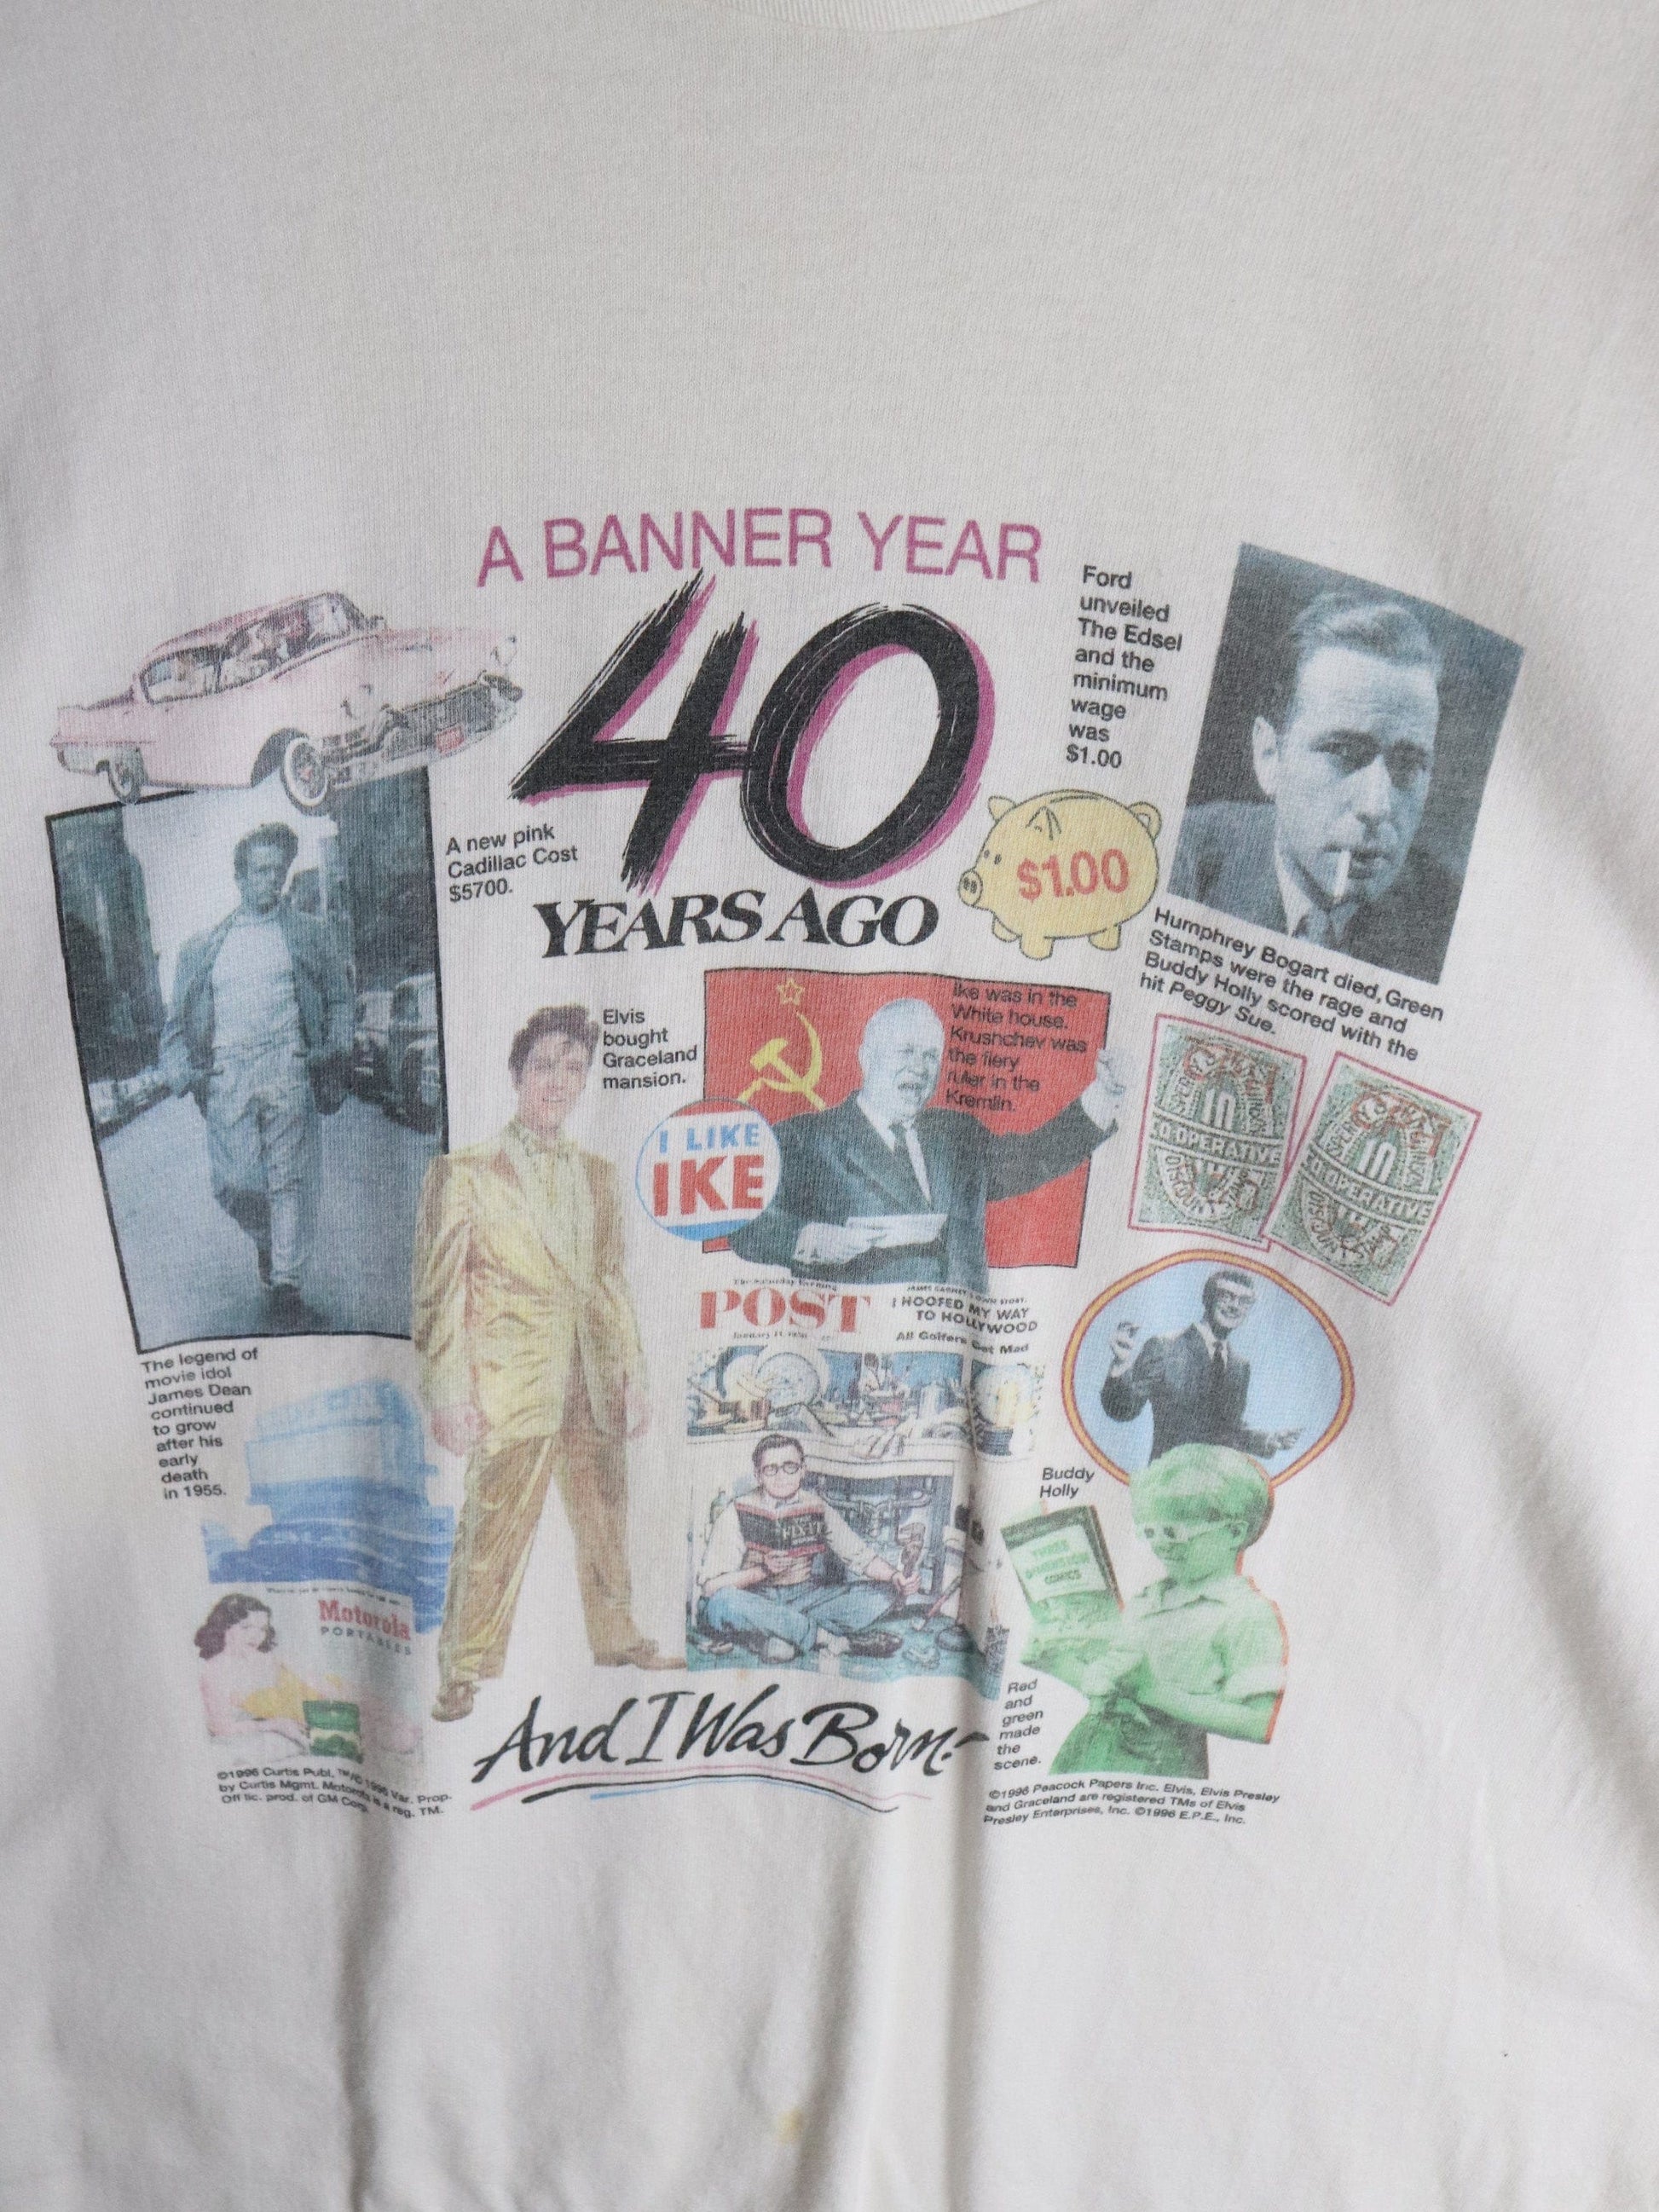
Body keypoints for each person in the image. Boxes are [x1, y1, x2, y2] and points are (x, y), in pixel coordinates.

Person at [413, 1005, 681, 1722]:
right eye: (544, 1066)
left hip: (590, 1376)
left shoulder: (598, 1174)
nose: (558, 1081)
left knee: (606, 1517)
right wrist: (448, 1393)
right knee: (492, 1527)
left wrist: (632, 1376)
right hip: (511, 1385)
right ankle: (462, 1667)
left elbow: (611, 1283)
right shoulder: (463, 1173)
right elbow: (438, 1297)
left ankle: (618, 1636)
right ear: (516, 1073)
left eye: (573, 1068)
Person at [727, 997, 1128, 1293]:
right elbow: (746, 1225)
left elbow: (1035, 1157)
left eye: (931, 1056)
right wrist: (810, 1239)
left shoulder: (959, 1135)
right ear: (867, 1058)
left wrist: (1104, 1095)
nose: (919, 1068)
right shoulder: (805, 1138)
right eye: (906, 1052)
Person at [1171, 588, 1458, 983]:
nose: (1375, 807)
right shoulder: (1181, 863)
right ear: (1270, 756)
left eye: (1408, 765)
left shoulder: (1445, 918)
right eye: (1342, 752)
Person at [159, 823, 352, 1331]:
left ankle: (286, 1284)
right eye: (261, 871)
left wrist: (333, 1046)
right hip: (229, 1076)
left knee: (289, 1180)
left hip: (289, 1070)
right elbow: (175, 1024)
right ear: (240, 878)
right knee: (236, 1183)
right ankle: (268, 1242)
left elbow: (339, 998)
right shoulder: (204, 947)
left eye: (279, 870)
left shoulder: (310, 934)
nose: (273, 880)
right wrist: (183, 1073)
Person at [1023, 1445, 1286, 1778]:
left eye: (1173, 1533)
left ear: (1234, 1532)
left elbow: (1257, 1723)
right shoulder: (1147, 1602)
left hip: (1161, 1762)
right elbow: (1111, 1688)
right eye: (1150, 1532)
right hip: (1088, 1749)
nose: (1160, 1545)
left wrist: (1153, 1691)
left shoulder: (1246, 1614)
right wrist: (1057, 1662)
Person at [697, 1432, 915, 1662]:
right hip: (756, 1598)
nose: (781, 1476)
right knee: (723, 1603)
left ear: (803, 1470)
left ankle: (777, 1635)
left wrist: (895, 1576)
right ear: (758, 1475)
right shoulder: (736, 1511)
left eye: (790, 1467)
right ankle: (827, 1639)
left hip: (806, 1597)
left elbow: (860, 1556)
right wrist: (763, 1570)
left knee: (887, 1592)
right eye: (771, 1469)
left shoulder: (817, 1506)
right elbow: (711, 1588)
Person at [1099, 1268, 1301, 1464]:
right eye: (1227, 1296)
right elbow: (1122, 1410)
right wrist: (1121, 1363)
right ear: (1208, 1298)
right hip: (1169, 1478)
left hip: (1217, 1482)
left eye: (1244, 1301)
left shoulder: (1240, 1367)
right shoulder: (1165, 1348)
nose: (1235, 1306)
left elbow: (1228, 1431)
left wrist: (1268, 1440)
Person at [194, 1593, 417, 1753]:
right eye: (246, 1627)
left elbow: (315, 1682)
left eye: (262, 1629)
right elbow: (220, 1726)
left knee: (397, 1721)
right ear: (223, 1626)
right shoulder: (214, 1672)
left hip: (329, 1697)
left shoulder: (269, 1657)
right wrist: (274, 1725)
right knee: (400, 1739)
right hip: (311, 1716)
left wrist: (350, 1700)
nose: (256, 1636)